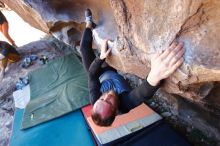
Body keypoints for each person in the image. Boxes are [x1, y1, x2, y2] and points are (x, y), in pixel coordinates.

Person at [80, 9, 185, 126]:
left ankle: (89, 23)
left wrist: (100, 58)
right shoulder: (124, 106)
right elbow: (141, 94)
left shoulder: (95, 100)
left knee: (84, 49)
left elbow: (92, 75)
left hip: (102, 74)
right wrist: (155, 76)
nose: (107, 96)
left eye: (102, 99)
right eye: (109, 103)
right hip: (112, 74)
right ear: (115, 111)